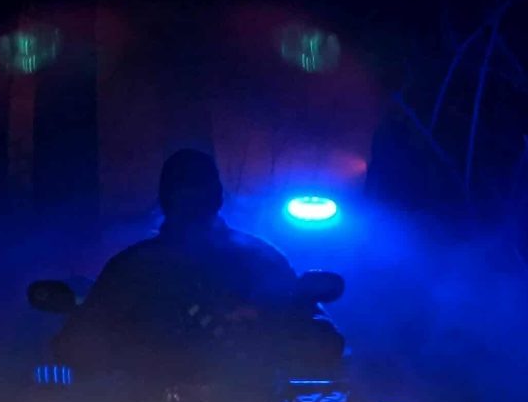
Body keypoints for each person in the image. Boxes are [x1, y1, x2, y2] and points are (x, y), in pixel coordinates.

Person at [52, 149, 343, 386]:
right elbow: (75, 345)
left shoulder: (260, 259)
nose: (190, 198)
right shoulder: (132, 266)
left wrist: (274, 325)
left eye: (197, 190)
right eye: (183, 190)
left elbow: (324, 342)